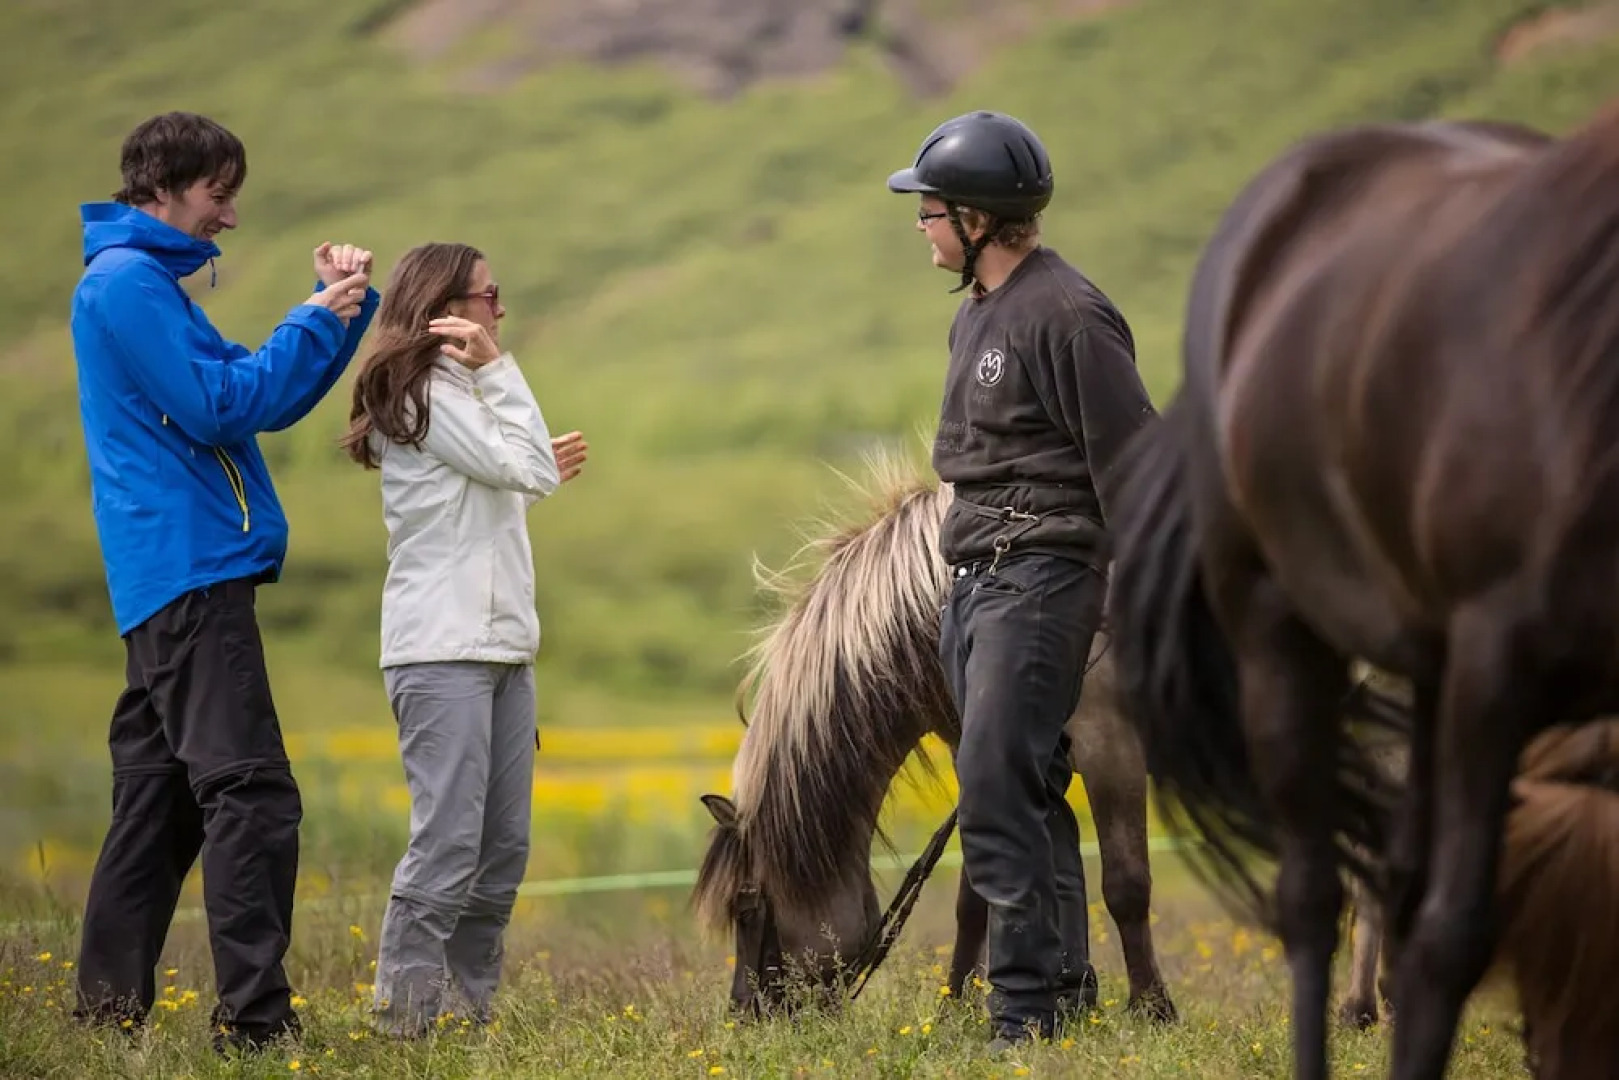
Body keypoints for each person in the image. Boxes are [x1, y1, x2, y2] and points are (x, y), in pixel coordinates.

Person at [68, 110, 380, 1053]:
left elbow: (250, 387)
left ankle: (105, 1016)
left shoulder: (140, 282)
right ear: (161, 186)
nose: (229, 216)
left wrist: (335, 309)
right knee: (251, 794)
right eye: (219, 193)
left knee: (160, 803)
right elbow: (223, 405)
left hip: (169, 571)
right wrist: (314, 319)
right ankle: (255, 1025)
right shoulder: (128, 285)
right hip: (191, 570)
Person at [887, 110, 1159, 1049]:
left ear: (974, 218)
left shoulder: (1069, 315)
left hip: (1040, 575)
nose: (917, 225)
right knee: (1030, 785)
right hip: (976, 577)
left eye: (925, 209)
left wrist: (1123, 599)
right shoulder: (977, 314)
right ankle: (1067, 988)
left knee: (997, 786)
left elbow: (1134, 464)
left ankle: (1020, 1014)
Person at [339, 242, 587, 1037]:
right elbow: (529, 473)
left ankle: (465, 1018)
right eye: (488, 295)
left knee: (501, 851)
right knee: (448, 847)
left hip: (501, 649)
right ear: (446, 305)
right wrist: (500, 371)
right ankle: (403, 1025)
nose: (498, 310)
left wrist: (527, 471)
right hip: (442, 649)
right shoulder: (424, 390)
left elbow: (495, 497)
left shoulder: (452, 392)